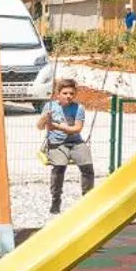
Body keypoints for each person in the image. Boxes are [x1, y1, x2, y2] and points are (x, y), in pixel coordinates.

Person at [40, 78, 96, 215]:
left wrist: (57, 126)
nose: (68, 96)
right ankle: (56, 199)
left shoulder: (78, 108)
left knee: (87, 167)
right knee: (59, 167)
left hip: (76, 142)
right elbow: (40, 127)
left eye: (71, 93)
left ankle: (87, 200)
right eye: (65, 93)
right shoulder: (50, 107)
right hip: (57, 144)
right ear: (58, 94)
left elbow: (77, 129)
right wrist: (44, 119)